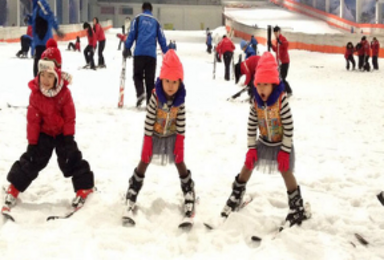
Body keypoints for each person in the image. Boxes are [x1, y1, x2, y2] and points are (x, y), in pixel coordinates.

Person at [2, 39, 95, 215]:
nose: (45, 80)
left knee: (70, 159)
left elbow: (69, 117)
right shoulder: (36, 94)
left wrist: (68, 138)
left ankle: (85, 188)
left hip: (61, 134)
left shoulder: (64, 93)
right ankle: (14, 187)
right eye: (42, 75)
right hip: (44, 133)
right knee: (32, 160)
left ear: (58, 75)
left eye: (50, 76)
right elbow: (33, 120)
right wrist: (32, 142)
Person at [221, 52, 309, 228]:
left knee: (286, 171)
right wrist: (251, 148)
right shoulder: (256, 102)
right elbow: (252, 124)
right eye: (258, 84)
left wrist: (285, 151)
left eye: (265, 85)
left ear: (274, 84)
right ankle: (236, 195)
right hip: (264, 142)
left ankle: (297, 206)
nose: (261, 89)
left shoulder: (280, 101)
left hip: (281, 143)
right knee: (247, 166)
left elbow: (289, 126)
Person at [123, 50, 196, 223]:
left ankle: (188, 189)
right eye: (167, 81)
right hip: (154, 135)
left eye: (174, 82)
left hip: (172, 135)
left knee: (179, 161)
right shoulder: (156, 97)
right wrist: (148, 141)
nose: (170, 86)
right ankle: (133, 188)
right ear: (161, 80)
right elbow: (149, 120)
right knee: (145, 161)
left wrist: (180, 142)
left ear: (180, 82)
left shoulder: (180, 100)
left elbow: (181, 122)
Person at [123, 2, 168, 107]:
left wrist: (127, 47)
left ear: (142, 9)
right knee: (150, 79)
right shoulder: (156, 22)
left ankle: (140, 93)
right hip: (151, 55)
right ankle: (149, 102)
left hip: (139, 53)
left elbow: (132, 34)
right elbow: (162, 38)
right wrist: (166, 51)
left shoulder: (137, 19)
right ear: (151, 10)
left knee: (137, 75)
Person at [30, 0, 64, 77]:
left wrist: (57, 28)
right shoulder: (36, 7)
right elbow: (35, 21)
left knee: (41, 71)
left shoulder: (41, 3)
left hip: (44, 42)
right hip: (38, 42)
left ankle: (42, 87)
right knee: (37, 71)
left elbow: (49, 15)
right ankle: (39, 87)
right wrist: (29, 19)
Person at [269, 26, 292, 96]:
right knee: (279, 78)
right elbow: (276, 50)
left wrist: (281, 42)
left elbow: (286, 45)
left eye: (277, 33)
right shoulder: (277, 41)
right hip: (280, 62)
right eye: (275, 33)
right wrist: (271, 46)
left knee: (282, 78)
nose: (276, 34)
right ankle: (284, 90)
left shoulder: (282, 39)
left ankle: (289, 91)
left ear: (279, 32)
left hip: (285, 62)